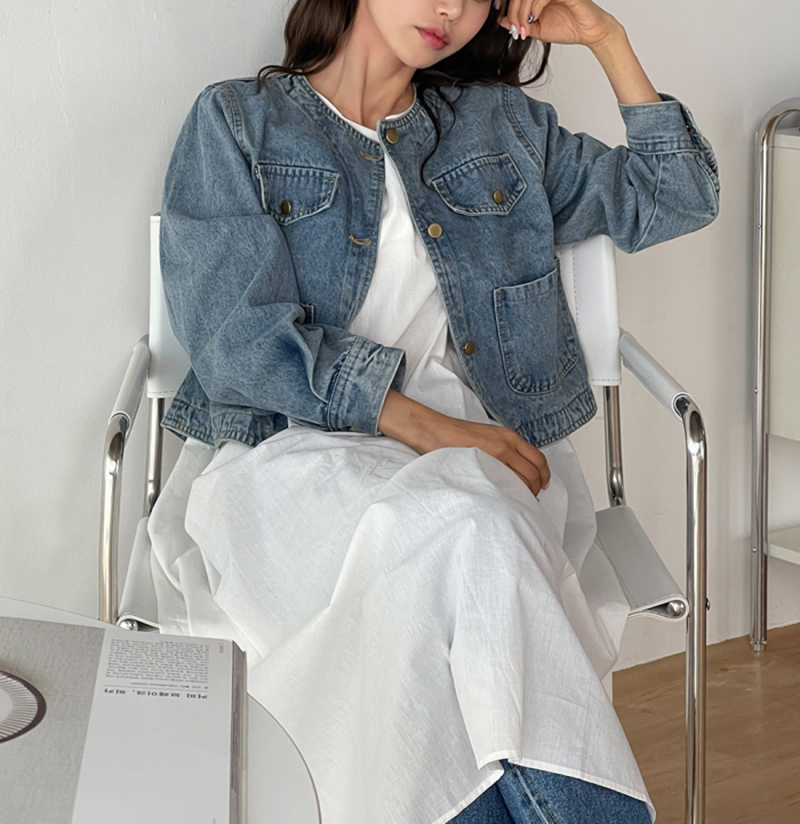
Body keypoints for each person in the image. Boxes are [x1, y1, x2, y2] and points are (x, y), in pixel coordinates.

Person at [150, 1, 720, 822]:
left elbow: (678, 195)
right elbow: (237, 341)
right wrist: (428, 427)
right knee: (467, 534)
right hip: (287, 460)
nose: (452, 8)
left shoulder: (498, 129)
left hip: (475, 462)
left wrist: (607, 39)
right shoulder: (238, 124)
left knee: (462, 550)